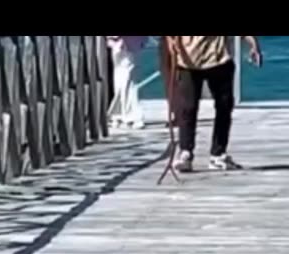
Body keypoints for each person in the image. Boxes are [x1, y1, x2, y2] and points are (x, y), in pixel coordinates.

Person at [165, 35, 262, 172]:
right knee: (188, 108)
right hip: (187, 59)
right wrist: (170, 41)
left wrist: (254, 45)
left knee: (224, 106)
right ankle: (185, 152)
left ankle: (218, 154)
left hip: (218, 58)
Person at [107, 36, 148, 129]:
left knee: (126, 79)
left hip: (128, 44)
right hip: (119, 44)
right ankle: (120, 114)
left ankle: (127, 115)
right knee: (121, 80)